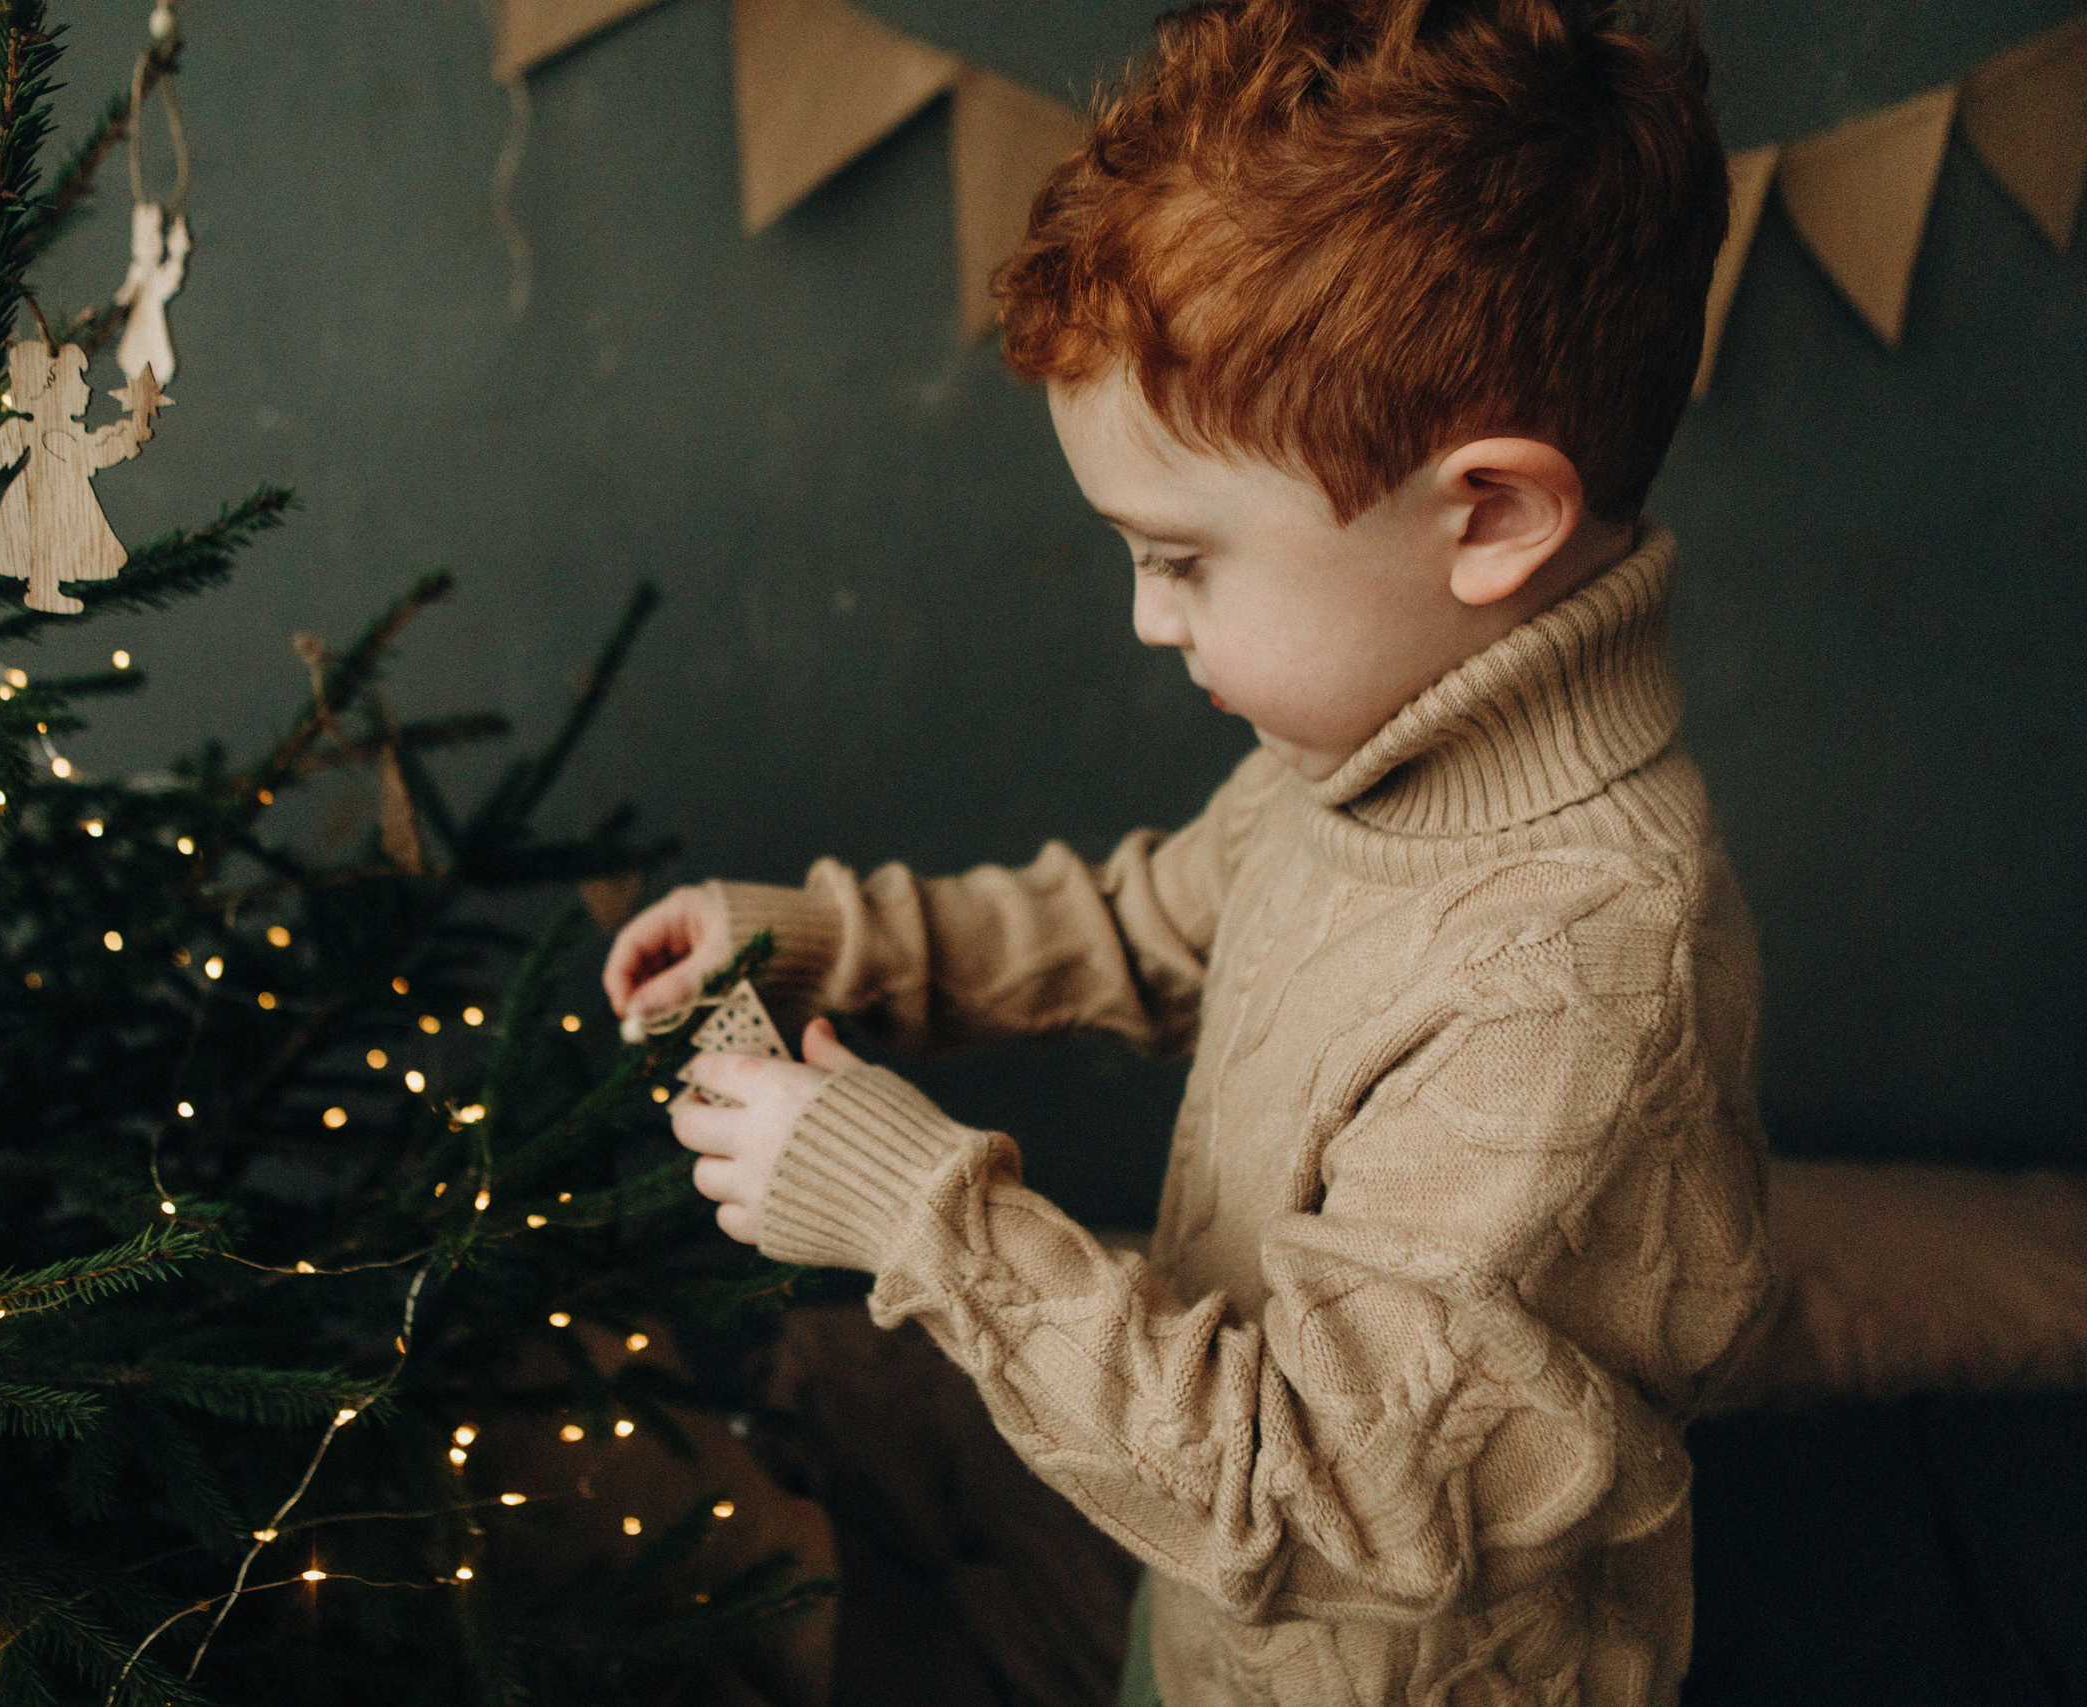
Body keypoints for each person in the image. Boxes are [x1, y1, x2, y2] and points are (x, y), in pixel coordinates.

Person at [607, 2, 1775, 1701]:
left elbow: (1313, 1483)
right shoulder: (1368, 757)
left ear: (1492, 516)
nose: (1147, 621)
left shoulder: (1576, 977)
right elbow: (1158, 926)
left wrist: (909, 1209)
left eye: (1181, 558)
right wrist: (829, 949)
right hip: (1215, 1622)